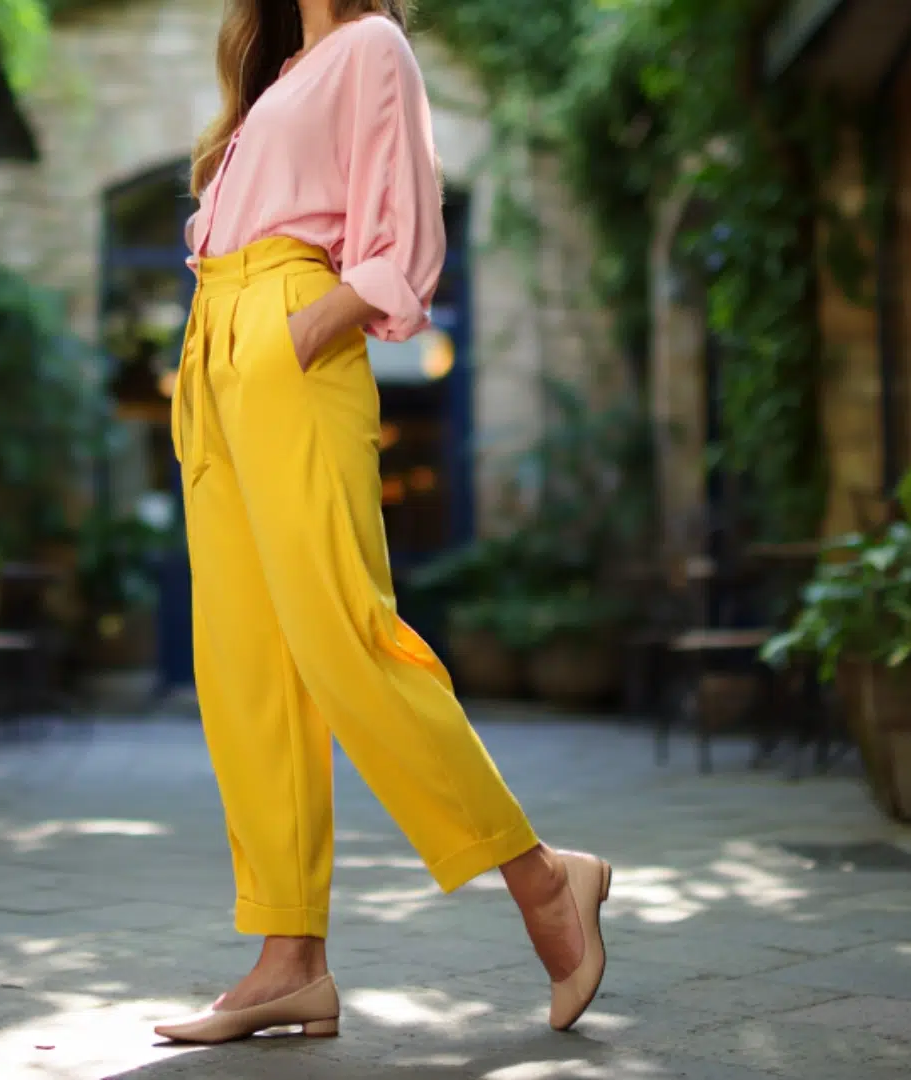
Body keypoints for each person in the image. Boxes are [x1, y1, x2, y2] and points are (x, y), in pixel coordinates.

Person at [152, 0, 614, 1045]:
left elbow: (402, 221)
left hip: (287, 339)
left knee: (345, 640)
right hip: (215, 351)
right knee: (245, 668)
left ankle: (544, 880)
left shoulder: (372, 45)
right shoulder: (281, 73)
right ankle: (288, 958)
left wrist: (322, 315)